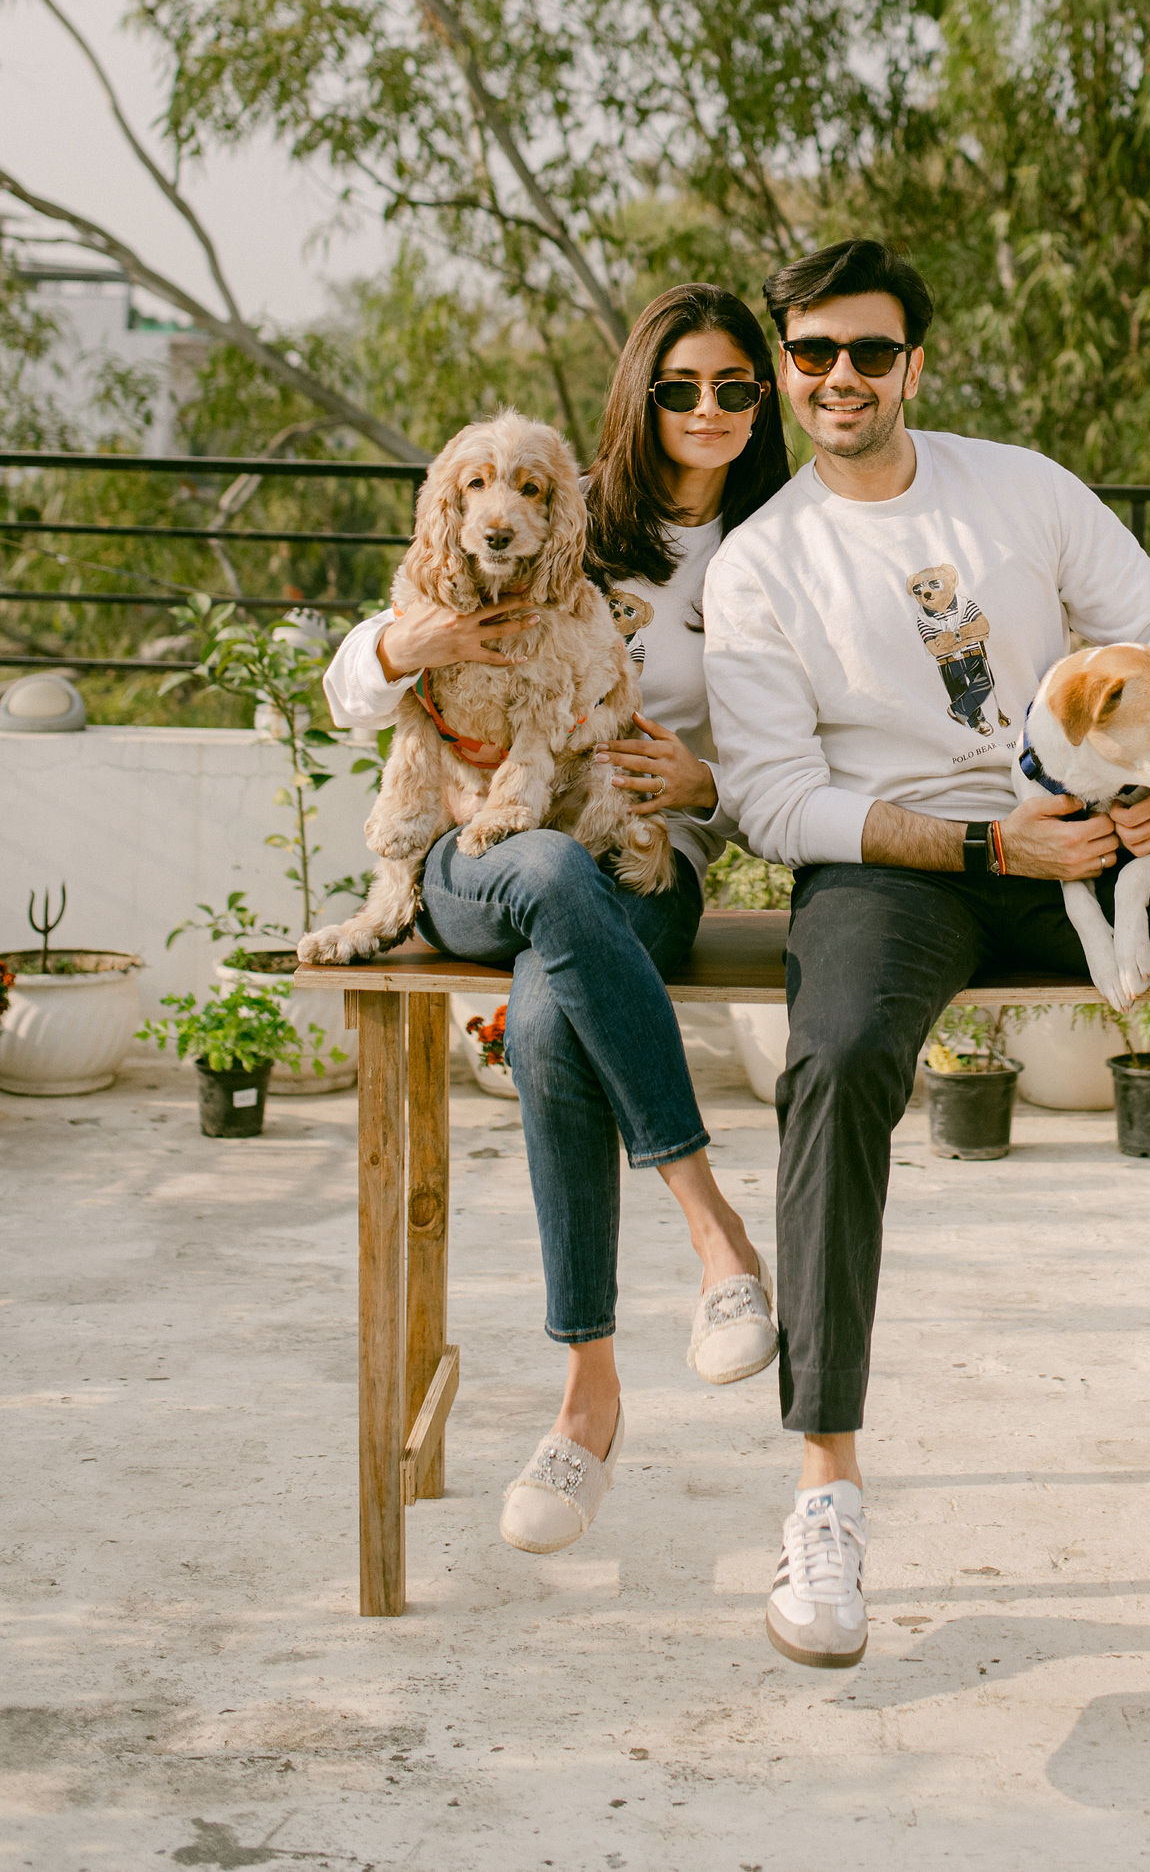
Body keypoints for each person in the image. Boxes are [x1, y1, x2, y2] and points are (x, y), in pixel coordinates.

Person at [702, 237, 1150, 1672]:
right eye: (813, 354)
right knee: (835, 1063)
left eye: (871, 352)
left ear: (916, 363)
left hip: (1098, 833)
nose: (840, 378)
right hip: (902, 870)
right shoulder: (762, 560)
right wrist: (976, 847)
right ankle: (825, 1489)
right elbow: (774, 800)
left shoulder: (1019, 487)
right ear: (787, 367)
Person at [324, 284, 792, 1555]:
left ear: (765, 403)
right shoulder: (543, 501)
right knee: (538, 876)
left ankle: (585, 1400)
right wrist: (396, 648)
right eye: (682, 385)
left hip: (648, 851)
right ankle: (716, 1229)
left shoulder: (788, 546)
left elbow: (809, 761)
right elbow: (352, 681)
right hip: (486, 851)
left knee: (545, 1014)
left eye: (736, 388)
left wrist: (714, 786)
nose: (707, 410)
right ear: (640, 393)